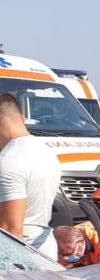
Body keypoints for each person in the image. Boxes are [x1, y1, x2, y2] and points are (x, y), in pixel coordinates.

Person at [0, 93, 59, 258]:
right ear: (22, 118)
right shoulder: (47, 152)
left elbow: (11, 232)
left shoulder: (9, 160)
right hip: (44, 249)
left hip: (22, 260)